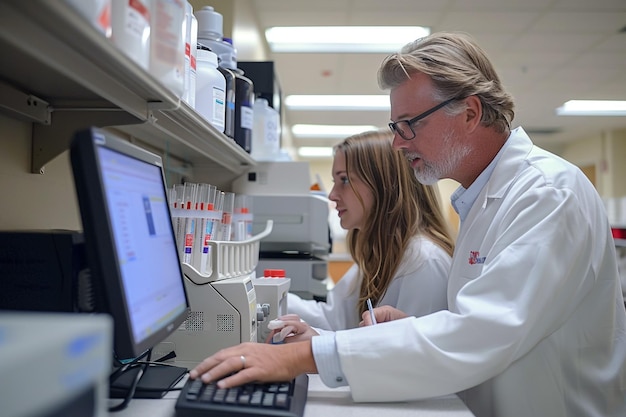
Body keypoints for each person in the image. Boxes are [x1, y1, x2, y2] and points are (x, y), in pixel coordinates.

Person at [189, 32, 626, 417]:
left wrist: (301, 358)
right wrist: (411, 325)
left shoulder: (547, 193)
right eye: (394, 126)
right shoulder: (483, 199)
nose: (398, 142)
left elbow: (481, 333)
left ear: (470, 113)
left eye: (408, 125)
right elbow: (475, 324)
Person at [277, 129, 454, 342]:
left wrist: (319, 344)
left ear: (383, 184)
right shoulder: (381, 256)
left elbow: (411, 360)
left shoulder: (424, 261)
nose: (332, 195)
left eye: (344, 180)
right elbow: (334, 319)